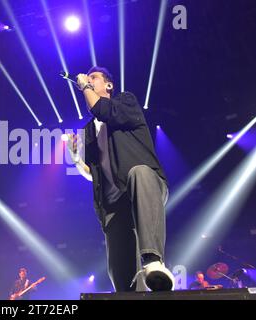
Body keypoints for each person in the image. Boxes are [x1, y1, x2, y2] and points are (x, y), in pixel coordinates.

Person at [68, 66, 174, 292]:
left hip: (145, 188)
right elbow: (93, 174)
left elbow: (101, 109)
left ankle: (153, 260)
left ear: (109, 85)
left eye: (94, 77)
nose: (89, 80)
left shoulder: (125, 102)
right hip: (115, 207)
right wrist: (76, 158)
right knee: (124, 284)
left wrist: (85, 85)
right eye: (88, 79)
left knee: (139, 172)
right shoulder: (88, 131)